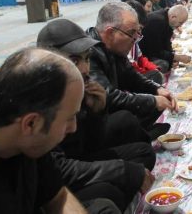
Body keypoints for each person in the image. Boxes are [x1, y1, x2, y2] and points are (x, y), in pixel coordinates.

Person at [37, 19, 156, 212]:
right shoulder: (40, 100)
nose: (84, 68)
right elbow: (55, 170)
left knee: (142, 152)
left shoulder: (82, 83)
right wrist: (122, 171)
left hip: (76, 160)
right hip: (60, 177)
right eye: (75, 61)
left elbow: (91, 145)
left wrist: (97, 113)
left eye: (86, 58)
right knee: (109, 192)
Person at [0, 48, 120, 213]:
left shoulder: (32, 143)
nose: (73, 127)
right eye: (69, 118)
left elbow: (57, 196)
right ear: (31, 123)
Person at [86, 2, 176, 132]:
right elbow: (107, 98)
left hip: (110, 110)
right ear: (110, 32)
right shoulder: (89, 53)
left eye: (137, 33)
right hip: (95, 121)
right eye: (131, 33)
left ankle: (139, 132)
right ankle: (137, 135)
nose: (135, 39)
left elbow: (131, 76)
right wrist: (152, 101)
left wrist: (157, 89)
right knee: (128, 118)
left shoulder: (115, 47)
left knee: (157, 98)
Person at [139, 5, 191, 72]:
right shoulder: (157, 21)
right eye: (180, 23)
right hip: (145, 56)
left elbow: (167, 43)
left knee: (170, 60)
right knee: (164, 64)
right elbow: (155, 50)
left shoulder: (167, 18)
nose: (180, 26)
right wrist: (176, 57)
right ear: (173, 17)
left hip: (154, 51)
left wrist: (173, 58)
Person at [125, 0, 164, 85]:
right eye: (138, 29)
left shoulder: (134, 41)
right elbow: (132, 70)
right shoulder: (124, 43)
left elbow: (141, 59)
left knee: (160, 67)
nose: (139, 34)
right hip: (130, 79)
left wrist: (155, 68)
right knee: (155, 75)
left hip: (137, 71)